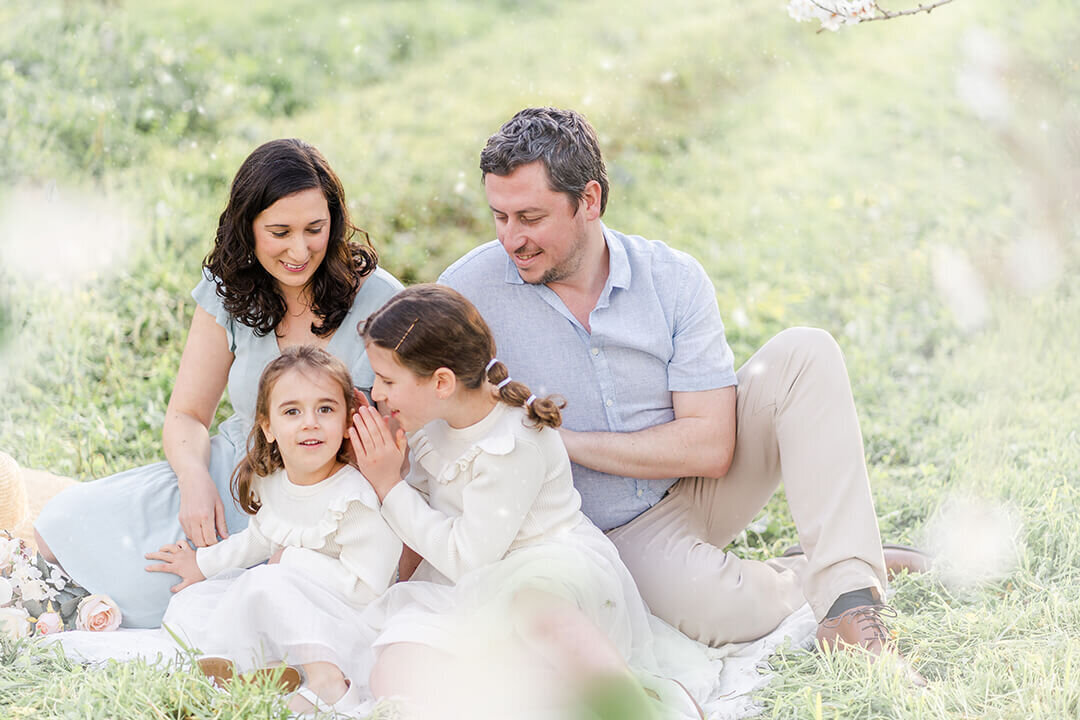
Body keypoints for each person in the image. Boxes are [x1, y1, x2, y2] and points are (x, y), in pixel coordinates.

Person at [438, 107, 927, 678]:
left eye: (530, 217)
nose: (511, 239)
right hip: (603, 530)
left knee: (805, 352)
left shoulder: (671, 277)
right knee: (723, 611)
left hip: (700, 487)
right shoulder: (465, 295)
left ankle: (848, 600)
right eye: (499, 217)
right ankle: (807, 569)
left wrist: (563, 442)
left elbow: (712, 448)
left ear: (588, 200)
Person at [33, 138, 403, 628]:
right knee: (61, 527)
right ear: (248, 228)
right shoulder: (230, 290)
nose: (300, 250)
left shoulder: (382, 300)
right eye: (279, 232)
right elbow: (186, 415)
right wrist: (194, 481)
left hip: (329, 497)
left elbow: (406, 431)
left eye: (316, 229)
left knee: (218, 600)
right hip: (236, 472)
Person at [349, 284, 711, 720]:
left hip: (542, 565)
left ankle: (638, 706)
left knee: (536, 611)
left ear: (441, 382)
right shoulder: (428, 425)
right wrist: (403, 584)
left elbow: (469, 556)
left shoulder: (514, 441)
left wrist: (389, 486)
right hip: (458, 581)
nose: (378, 393)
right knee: (393, 667)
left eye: (388, 381)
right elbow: (425, 521)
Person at [147, 346, 401, 715]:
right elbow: (258, 539)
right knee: (199, 603)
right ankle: (253, 673)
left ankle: (329, 682)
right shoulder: (274, 483)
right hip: (297, 602)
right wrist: (202, 564)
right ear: (268, 426)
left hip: (351, 622)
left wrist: (291, 562)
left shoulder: (352, 499)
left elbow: (368, 587)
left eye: (325, 409)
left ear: (347, 422)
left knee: (267, 583)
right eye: (292, 411)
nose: (310, 422)